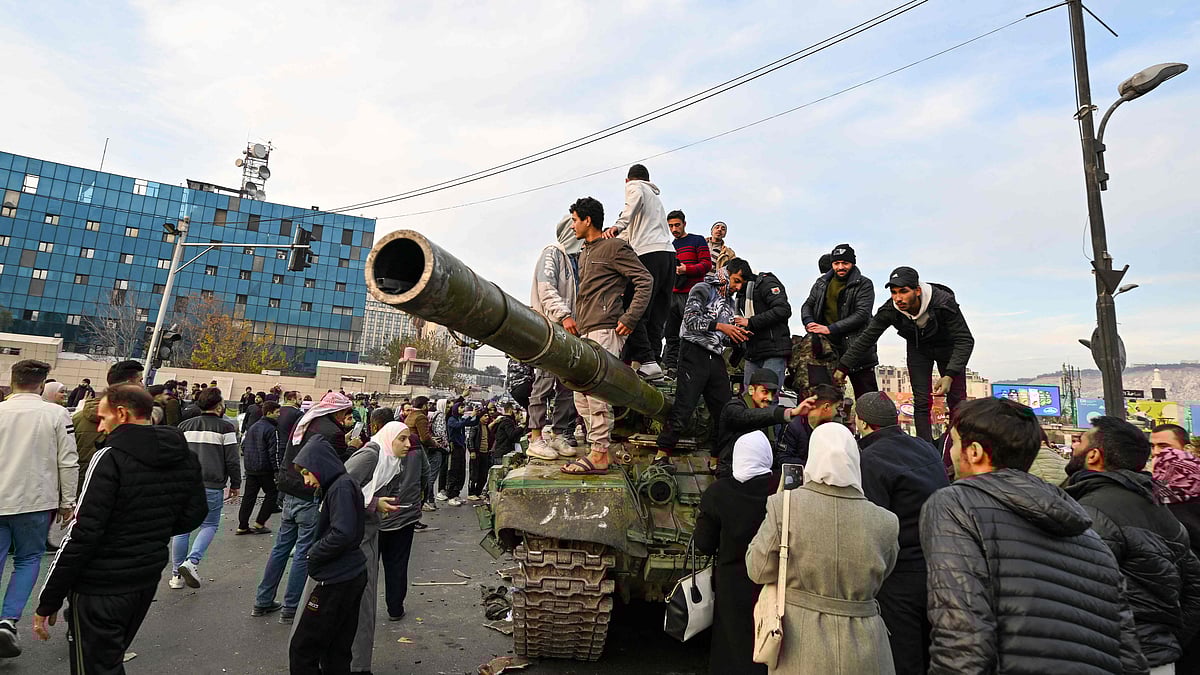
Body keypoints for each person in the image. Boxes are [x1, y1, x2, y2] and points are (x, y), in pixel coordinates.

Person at [920, 397, 1148, 674]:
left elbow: (961, 631)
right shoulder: (1086, 529)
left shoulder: (956, 503)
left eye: (955, 444)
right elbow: (1129, 651)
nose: (953, 454)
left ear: (975, 452)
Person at [32, 384, 206, 673]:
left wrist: (48, 598)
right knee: (110, 659)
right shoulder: (184, 456)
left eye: (102, 418)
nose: (100, 426)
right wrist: (151, 529)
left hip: (99, 584)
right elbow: (194, 513)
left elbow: (82, 533)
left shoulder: (110, 457)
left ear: (122, 414)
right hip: (145, 575)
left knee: (94, 665)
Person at [746, 423, 900, 674]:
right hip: (866, 646)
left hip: (800, 643)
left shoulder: (785, 506)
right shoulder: (886, 521)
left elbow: (757, 569)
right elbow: (885, 573)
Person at [1064, 416, 1200, 673]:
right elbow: (1195, 587)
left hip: (1114, 659)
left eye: (1079, 440)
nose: (1073, 446)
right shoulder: (1159, 507)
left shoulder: (1090, 511)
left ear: (1093, 456)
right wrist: (1169, 641)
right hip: (1159, 657)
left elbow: (1080, 596)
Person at [854, 391, 949, 675]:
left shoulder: (869, 460)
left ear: (862, 423)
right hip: (938, 565)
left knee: (905, 657)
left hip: (899, 575)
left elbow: (874, 525)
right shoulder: (924, 447)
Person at [561, 196, 652, 475]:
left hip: (606, 329)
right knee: (581, 395)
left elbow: (645, 280)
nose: (572, 225)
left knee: (597, 393)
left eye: (575, 219)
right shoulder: (586, 251)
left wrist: (629, 318)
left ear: (587, 220)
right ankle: (596, 450)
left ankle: (600, 453)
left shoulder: (614, 247)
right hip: (586, 330)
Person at [836, 266, 974, 442]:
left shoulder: (943, 303)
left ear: (917, 290)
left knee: (956, 400)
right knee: (922, 401)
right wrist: (843, 366)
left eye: (903, 292)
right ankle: (926, 447)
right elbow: (867, 338)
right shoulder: (890, 310)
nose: (898, 298)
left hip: (949, 349)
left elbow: (965, 340)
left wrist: (950, 374)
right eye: (894, 292)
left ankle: (958, 443)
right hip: (918, 349)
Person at [0, 360, 78, 659]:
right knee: (28, 558)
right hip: (36, 500)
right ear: (42, 383)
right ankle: (8, 619)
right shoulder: (57, 414)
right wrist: (67, 500)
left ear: (13, 380)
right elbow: (67, 460)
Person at [255, 391, 354, 623]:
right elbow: (335, 464)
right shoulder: (332, 433)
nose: (346, 416)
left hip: (289, 489)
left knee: (281, 548)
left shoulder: (305, 420)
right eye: (345, 412)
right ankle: (291, 607)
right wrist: (351, 447)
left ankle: (263, 599)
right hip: (309, 495)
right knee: (303, 552)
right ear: (337, 411)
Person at [340, 420, 422, 672]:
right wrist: (375, 503)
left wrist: (378, 505)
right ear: (388, 437)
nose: (408, 444)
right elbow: (341, 488)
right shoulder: (370, 455)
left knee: (364, 603)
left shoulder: (390, 462)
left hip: (366, 533)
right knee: (358, 603)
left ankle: (358, 663)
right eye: (402, 439)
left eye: (409, 439)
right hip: (352, 539)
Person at [288, 432, 368, 674]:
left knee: (303, 649)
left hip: (337, 578)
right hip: (349, 573)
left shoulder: (340, 487)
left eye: (306, 473)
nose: (306, 481)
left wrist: (313, 552)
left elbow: (342, 533)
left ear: (318, 465)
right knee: (336, 648)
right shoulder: (340, 484)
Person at [694, 431, 773, 675]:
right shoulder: (782, 489)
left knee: (732, 647)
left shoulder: (719, 492)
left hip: (733, 584)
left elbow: (704, 544)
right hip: (773, 580)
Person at [602, 164, 673, 380]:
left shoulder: (635, 187)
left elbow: (630, 208)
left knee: (633, 308)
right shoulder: (656, 200)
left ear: (627, 180)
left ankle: (647, 360)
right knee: (656, 315)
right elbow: (630, 234)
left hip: (648, 254)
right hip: (669, 256)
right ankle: (652, 364)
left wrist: (616, 226)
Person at [170, 387, 240, 589]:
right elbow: (233, 460)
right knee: (209, 525)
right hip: (212, 484)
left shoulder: (184, 426)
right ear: (219, 406)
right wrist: (235, 483)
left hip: (185, 484)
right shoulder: (226, 428)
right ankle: (192, 562)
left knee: (181, 529)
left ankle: (176, 576)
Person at [526, 215, 583, 460]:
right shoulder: (553, 253)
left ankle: (559, 433)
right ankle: (536, 437)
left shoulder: (576, 261)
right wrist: (564, 315)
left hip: (569, 334)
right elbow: (546, 288)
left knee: (566, 386)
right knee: (544, 383)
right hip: (551, 328)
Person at [801, 244, 879, 395]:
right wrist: (809, 321)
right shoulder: (821, 283)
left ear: (853, 263)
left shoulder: (864, 284)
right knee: (825, 399)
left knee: (868, 399)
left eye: (845, 263)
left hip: (857, 350)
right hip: (827, 350)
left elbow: (862, 314)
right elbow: (808, 304)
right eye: (837, 263)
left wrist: (830, 328)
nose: (841, 267)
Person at [715, 369, 814, 478]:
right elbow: (747, 417)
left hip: (760, 475)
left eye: (772, 393)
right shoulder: (733, 408)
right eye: (765, 392)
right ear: (751, 390)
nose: (770, 398)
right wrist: (790, 412)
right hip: (731, 473)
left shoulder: (768, 417)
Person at [726, 257, 793, 395]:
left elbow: (783, 310)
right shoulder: (740, 296)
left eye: (738, 281)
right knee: (749, 398)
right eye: (734, 282)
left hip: (773, 351)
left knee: (767, 397)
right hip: (752, 353)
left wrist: (750, 322)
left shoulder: (766, 283)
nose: (736, 287)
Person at [73, 360, 142, 488]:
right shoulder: (138, 422)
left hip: (81, 489)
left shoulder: (77, 418)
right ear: (129, 384)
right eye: (140, 381)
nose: (143, 386)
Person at [662, 209, 712, 376]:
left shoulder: (697, 240)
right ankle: (671, 367)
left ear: (684, 223)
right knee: (671, 333)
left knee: (692, 332)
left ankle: (692, 367)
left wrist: (686, 269)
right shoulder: (671, 246)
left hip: (692, 294)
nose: (674, 229)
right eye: (671, 226)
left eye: (677, 225)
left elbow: (707, 265)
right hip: (673, 294)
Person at [238, 400, 281, 535]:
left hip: (250, 467)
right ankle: (259, 522)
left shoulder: (254, 426)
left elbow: (244, 446)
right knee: (272, 493)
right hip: (264, 468)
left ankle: (242, 525)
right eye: (277, 412)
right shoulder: (271, 429)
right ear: (269, 413)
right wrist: (276, 470)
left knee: (249, 496)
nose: (279, 415)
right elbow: (273, 452)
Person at [776, 384, 842, 467]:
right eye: (836, 408)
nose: (836, 413)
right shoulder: (793, 426)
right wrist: (813, 466)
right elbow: (782, 458)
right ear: (826, 407)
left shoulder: (829, 427)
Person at [472, 404, 520, 501]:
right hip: (500, 452)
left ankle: (485, 493)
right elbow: (511, 435)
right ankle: (486, 494)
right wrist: (521, 427)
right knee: (496, 476)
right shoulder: (506, 421)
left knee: (490, 475)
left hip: (494, 451)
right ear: (511, 410)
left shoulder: (500, 421)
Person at [444, 401, 479, 506]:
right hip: (454, 448)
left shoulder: (460, 419)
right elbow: (459, 425)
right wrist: (470, 416)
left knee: (461, 472)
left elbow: (472, 423)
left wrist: (476, 415)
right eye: (461, 407)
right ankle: (450, 495)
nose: (463, 409)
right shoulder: (451, 420)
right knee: (453, 472)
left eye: (463, 407)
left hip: (461, 448)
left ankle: (456, 494)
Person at [430, 399, 451, 503]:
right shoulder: (441, 415)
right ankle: (431, 498)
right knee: (436, 473)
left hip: (437, 446)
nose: (448, 409)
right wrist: (446, 444)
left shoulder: (435, 414)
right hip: (440, 448)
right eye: (446, 406)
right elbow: (441, 432)